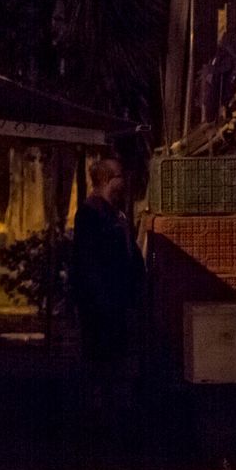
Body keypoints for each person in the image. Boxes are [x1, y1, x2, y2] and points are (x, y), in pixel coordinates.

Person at [68, 155, 143, 362]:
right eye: (120, 177)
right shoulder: (90, 213)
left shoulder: (114, 213)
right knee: (101, 357)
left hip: (116, 299)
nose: (124, 182)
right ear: (107, 180)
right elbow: (88, 261)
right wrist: (100, 298)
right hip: (100, 303)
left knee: (116, 355)